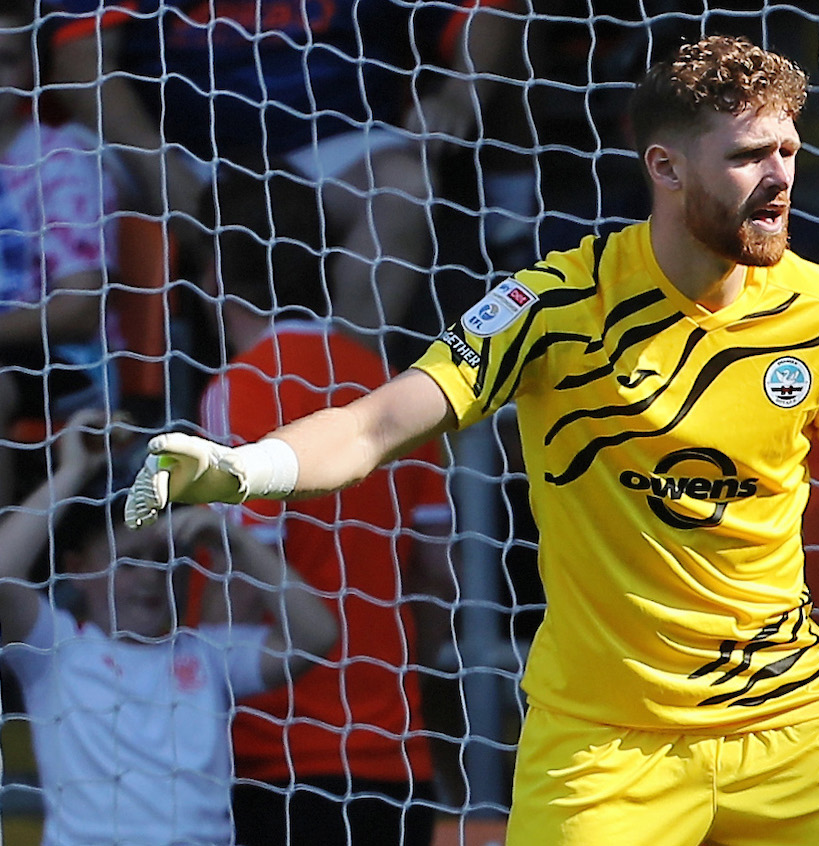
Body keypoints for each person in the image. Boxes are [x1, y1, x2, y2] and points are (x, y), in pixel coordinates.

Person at [122, 36, 819, 845]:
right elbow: (377, 420)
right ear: (664, 167)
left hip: (786, 732)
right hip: (605, 752)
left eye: (787, 150)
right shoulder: (551, 305)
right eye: (747, 156)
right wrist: (248, 468)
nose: (779, 177)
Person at [192, 170, 459, 845]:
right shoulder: (389, 389)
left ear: (215, 271)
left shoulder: (243, 387)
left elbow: (242, 569)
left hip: (279, 750)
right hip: (397, 756)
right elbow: (434, 575)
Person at [44, 0, 520, 358]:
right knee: (67, 157)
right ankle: (99, 381)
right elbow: (79, 54)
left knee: (404, 186)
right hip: (176, 149)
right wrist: (159, 167)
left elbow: (486, 10)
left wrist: (460, 94)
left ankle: (338, 386)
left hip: (336, 140)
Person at [0, 410, 337, 846]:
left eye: (164, 560)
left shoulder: (209, 655)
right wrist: (71, 472)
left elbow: (316, 637)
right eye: (130, 560)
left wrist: (233, 540)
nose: (149, 577)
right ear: (80, 571)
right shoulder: (57, 649)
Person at [0, 0, 118, 505]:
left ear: (30, 70)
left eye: (3, 61)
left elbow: (79, 309)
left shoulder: (60, 160)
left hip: (63, 361)